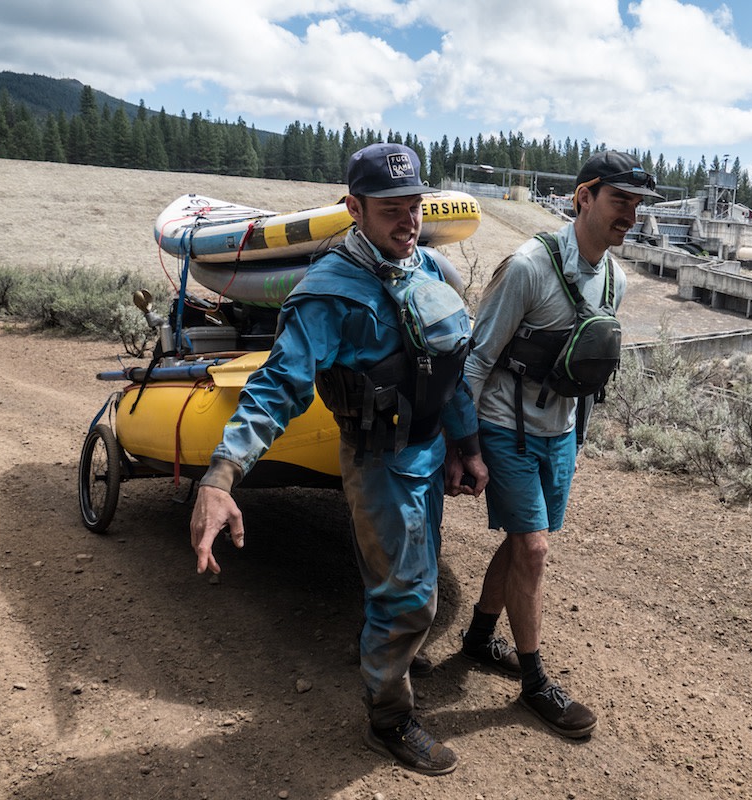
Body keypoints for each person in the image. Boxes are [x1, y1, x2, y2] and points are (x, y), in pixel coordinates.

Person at [189, 142, 488, 776]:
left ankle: (395, 652)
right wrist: (222, 473)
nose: (408, 223)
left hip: (429, 453)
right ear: (353, 208)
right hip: (379, 463)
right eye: (390, 211)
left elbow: (449, 367)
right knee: (405, 591)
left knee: (418, 571)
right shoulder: (325, 293)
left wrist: (464, 443)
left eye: (415, 207)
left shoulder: (424, 268)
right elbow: (278, 385)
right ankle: (389, 719)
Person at [459, 150, 662, 738]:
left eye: (636, 204)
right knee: (536, 551)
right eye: (619, 201)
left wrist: (579, 441)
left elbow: (588, 371)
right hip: (506, 428)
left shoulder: (615, 281)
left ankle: (477, 638)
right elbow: (477, 361)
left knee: (527, 544)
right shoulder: (526, 267)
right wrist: (465, 447)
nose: (630, 215)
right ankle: (534, 683)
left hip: (561, 435)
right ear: (583, 198)